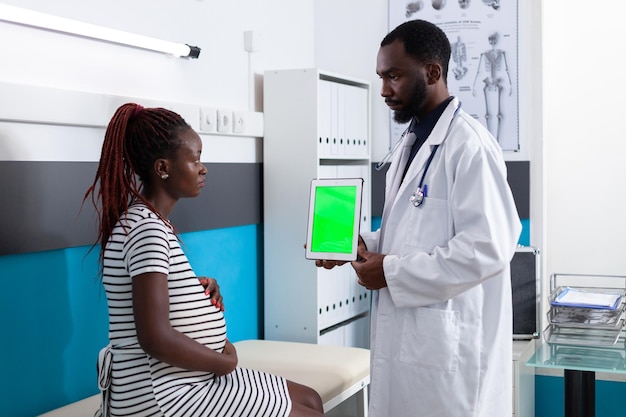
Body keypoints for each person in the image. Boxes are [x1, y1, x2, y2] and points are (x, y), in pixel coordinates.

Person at [316, 20, 521, 416]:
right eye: (380, 77)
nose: (384, 90)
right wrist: (362, 247)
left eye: (394, 76)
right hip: (413, 344)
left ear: (432, 72)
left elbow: (488, 248)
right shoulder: (412, 141)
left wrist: (390, 272)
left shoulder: (470, 146)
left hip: (450, 354)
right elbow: (412, 231)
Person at [84, 103, 324, 417]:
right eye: (195, 157)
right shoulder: (146, 230)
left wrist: (192, 291)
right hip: (163, 397)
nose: (203, 167)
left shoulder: (147, 222)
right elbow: (154, 337)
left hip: (188, 381)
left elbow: (149, 296)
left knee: (310, 400)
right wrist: (224, 361)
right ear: (163, 168)